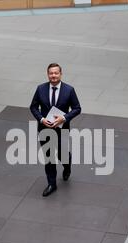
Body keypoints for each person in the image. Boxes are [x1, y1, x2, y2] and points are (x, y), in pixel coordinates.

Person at [30, 63, 81, 197]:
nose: (53, 75)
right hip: (44, 129)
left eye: (56, 73)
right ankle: (52, 183)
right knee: (49, 157)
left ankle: (67, 166)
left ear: (60, 74)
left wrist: (64, 118)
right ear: (48, 74)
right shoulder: (40, 89)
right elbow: (33, 107)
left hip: (62, 129)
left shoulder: (69, 90)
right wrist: (41, 119)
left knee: (62, 155)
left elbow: (77, 108)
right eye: (51, 73)